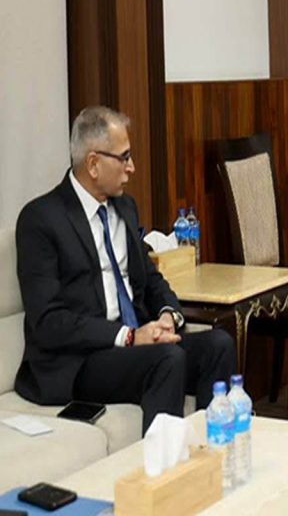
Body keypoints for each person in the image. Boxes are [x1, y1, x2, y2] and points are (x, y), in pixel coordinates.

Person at [15, 106, 236, 433]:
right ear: (93, 163)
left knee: (218, 345)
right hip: (82, 358)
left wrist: (168, 315)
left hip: (134, 346)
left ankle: (214, 450)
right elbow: (48, 321)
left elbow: (150, 278)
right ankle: (161, 465)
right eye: (124, 157)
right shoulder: (41, 220)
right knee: (167, 359)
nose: (131, 168)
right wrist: (129, 336)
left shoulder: (124, 208)